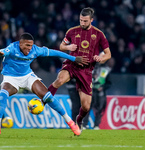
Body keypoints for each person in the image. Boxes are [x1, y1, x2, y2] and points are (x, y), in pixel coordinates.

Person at [0, 32, 89, 136]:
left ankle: (71, 123)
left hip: (27, 77)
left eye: (31, 45)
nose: (29, 48)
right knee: (2, 95)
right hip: (10, 78)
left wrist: (73, 59)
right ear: (20, 44)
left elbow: (55, 53)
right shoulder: (12, 48)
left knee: (48, 97)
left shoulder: (35, 50)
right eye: (27, 45)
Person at [48, 7, 111, 135]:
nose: (82, 23)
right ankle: (42, 101)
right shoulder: (72, 31)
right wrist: (68, 47)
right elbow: (61, 46)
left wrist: (100, 58)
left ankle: (79, 120)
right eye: (81, 20)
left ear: (91, 20)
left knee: (86, 106)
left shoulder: (99, 34)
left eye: (85, 21)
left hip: (86, 70)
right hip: (72, 64)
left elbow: (108, 54)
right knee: (59, 80)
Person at [90, 61, 112, 129]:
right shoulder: (91, 67)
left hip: (100, 93)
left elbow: (109, 83)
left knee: (99, 109)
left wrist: (103, 87)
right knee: (87, 108)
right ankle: (84, 124)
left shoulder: (106, 70)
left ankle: (96, 125)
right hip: (91, 91)